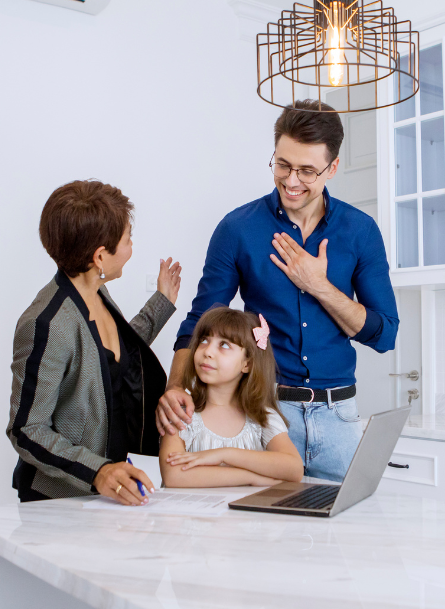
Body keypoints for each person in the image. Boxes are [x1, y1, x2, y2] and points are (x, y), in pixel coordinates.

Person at [157, 100, 399, 483]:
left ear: (332, 168)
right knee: (264, 537)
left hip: (339, 417)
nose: (291, 181)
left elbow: (385, 335)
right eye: (283, 165)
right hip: (265, 413)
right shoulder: (237, 229)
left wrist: (319, 286)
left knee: (345, 537)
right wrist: (174, 388)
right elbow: (199, 322)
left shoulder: (360, 230)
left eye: (306, 170)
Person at [8, 180, 182, 506]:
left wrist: (161, 303)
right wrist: (98, 472)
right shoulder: (45, 324)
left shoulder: (95, 291)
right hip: (62, 503)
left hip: (109, 496)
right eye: (128, 239)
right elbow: (26, 430)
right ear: (100, 256)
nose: (132, 247)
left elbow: (107, 358)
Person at [160, 307, 303, 487]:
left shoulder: (262, 417)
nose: (208, 351)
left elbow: (294, 469)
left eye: (224, 345)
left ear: (247, 364)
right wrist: (251, 478)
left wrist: (224, 454)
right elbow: (174, 477)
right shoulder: (180, 414)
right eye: (203, 341)